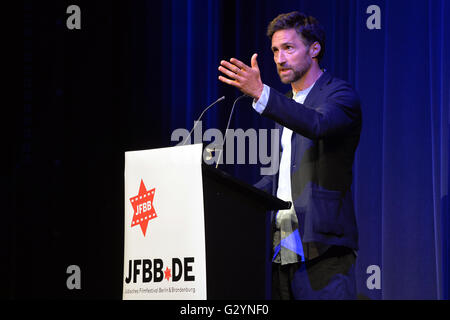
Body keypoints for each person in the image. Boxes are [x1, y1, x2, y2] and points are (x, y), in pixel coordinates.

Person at [218, 11, 362, 299]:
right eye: (275, 50)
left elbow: (317, 124)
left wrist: (261, 93)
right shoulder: (285, 106)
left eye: (288, 48)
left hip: (322, 245)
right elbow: (278, 178)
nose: (279, 59)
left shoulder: (340, 95)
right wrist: (223, 194)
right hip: (282, 245)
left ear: (314, 48)